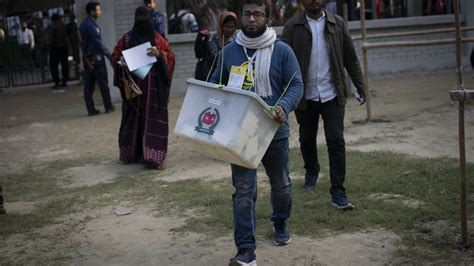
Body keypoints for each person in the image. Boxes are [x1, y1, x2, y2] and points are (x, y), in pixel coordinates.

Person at [209, 1, 303, 264]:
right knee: (243, 190)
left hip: (274, 130)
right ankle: (246, 251)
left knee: (281, 184)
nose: (252, 19)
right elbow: (215, 85)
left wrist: (283, 106)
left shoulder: (282, 51)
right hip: (241, 133)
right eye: (247, 14)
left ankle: (280, 221)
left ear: (267, 19)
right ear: (241, 17)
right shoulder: (229, 52)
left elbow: (296, 84)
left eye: (257, 14)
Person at [282, 0, 366, 210]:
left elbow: (350, 57)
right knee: (306, 139)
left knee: (336, 140)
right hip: (304, 95)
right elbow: (281, 60)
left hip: (332, 93)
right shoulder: (292, 27)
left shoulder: (338, 23)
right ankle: (312, 171)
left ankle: (338, 191)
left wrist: (360, 84)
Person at [111, 6, 175, 170]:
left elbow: (170, 56)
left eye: (145, 17)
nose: (142, 21)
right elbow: (115, 57)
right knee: (133, 120)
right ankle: (132, 153)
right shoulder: (126, 40)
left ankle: (154, 156)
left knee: (153, 120)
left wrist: (159, 54)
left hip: (153, 92)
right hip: (134, 90)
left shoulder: (158, 39)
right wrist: (123, 61)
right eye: (140, 17)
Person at [79, 2, 115, 116]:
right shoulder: (91, 26)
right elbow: (98, 43)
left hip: (88, 58)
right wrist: (109, 55)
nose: (100, 12)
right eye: (98, 10)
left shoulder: (83, 25)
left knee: (89, 86)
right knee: (103, 84)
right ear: (91, 11)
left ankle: (91, 109)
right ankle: (108, 106)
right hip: (96, 58)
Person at [194, 11, 237, 81]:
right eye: (227, 26)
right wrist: (200, 39)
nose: (230, 30)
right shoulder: (211, 40)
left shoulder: (237, 42)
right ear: (221, 25)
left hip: (230, 80)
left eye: (232, 27)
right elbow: (199, 55)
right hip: (212, 79)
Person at [49, 14, 69, 91]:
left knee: (54, 66)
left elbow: (51, 39)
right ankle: (64, 81)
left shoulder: (52, 26)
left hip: (55, 48)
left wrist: (50, 47)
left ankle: (56, 82)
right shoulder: (63, 26)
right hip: (64, 47)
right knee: (64, 65)